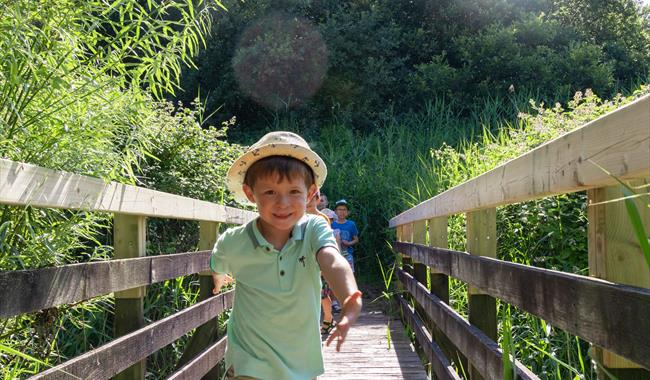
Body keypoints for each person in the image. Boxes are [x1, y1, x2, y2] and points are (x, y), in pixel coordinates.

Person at [210, 131, 362, 380]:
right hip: (249, 363)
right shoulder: (234, 241)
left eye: (294, 192)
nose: (283, 203)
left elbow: (332, 260)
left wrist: (350, 299)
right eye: (269, 192)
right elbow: (217, 264)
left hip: (301, 366)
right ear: (250, 194)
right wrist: (218, 277)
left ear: (311, 193)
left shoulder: (314, 228)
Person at [306, 191, 336, 335]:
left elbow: (326, 240)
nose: (309, 201)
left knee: (322, 293)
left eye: (313, 198)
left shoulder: (322, 218)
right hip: (305, 260)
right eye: (307, 198)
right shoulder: (299, 216)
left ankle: (328, 318)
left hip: (319, 260)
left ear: (318, 200)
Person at [331, 199, 359, 272]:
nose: (342, 212)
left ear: (348, 212)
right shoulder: (332, 224)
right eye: (339, 210)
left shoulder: (351, 224)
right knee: (337, 273)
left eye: (344, 210)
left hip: (348, 254)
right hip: (335, 254)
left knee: (349, 273)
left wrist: (348, 243)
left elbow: (356, 239)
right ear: (335, 212)